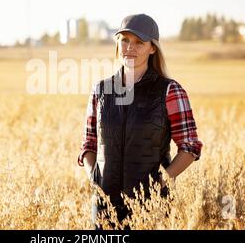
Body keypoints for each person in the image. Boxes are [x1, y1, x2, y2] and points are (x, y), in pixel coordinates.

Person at [77, 13, 203, 230]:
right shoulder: (101, 90)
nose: (129, 47)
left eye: (138, 42)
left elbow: (190, 146)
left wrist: (162, 181)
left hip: (150, 206)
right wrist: (93, 177)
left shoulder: (170, 90)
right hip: (104, 206)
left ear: (152, 48)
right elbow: (89, 144)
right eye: (124, 40)